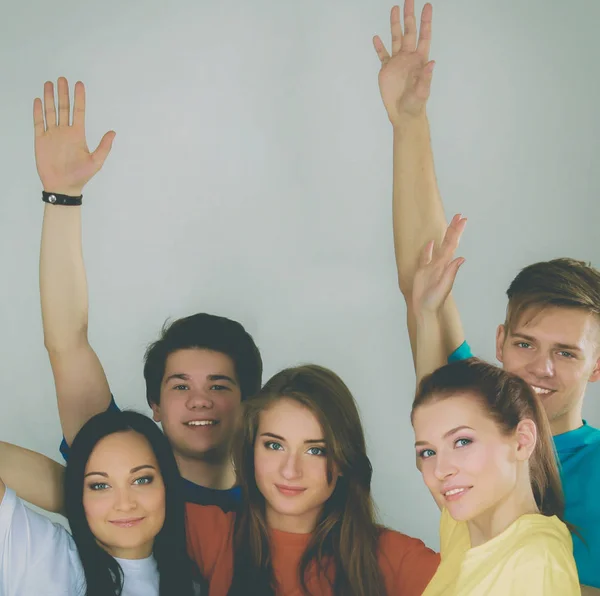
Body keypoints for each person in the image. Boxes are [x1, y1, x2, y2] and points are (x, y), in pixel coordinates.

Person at [373, 2, 600, 590]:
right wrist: (409, 123)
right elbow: (423, 278)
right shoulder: (468, 412)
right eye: (525, 342)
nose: (541, 368)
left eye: (567, 353)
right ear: (499, 341)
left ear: (597, 364)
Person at [34, 78, 262, 509]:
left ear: (250, 403)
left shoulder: (286, 495)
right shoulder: (119, 475)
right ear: (154, 405)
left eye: (219, 385)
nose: (199, 400)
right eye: (179, 386)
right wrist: (63, 196)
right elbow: (67, 343)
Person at [185, 364, 440, 596]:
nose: (290, 471)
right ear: (251, 449)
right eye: (274, 445)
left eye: (315, 450)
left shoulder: (396, 557)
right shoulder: (212, 532)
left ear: (343, 460)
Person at [412, 358, 580, 595]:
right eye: (428, 452)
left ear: (522, 441)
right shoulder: (461, 525)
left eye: (462, 441)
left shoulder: (533, 563)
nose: (440, 470)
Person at [0, 410, 201, 595]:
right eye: (100, 486)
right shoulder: (51, 557)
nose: (125, 504)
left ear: (167, 484)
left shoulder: (196, 584)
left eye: (141, 480)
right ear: (79, 496)